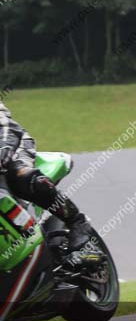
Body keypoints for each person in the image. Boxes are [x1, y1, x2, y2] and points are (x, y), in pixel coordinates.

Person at [0, 102, 92, 253]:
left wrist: (4, 151)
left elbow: (5, 126)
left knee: (20, 175)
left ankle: (77, 222)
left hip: (12, 142)